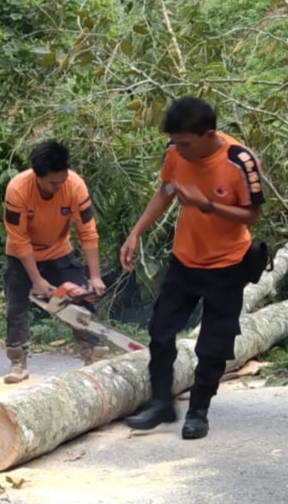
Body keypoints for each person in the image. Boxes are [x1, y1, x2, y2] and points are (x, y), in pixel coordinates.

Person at [119, 97, 265, 439]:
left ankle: (199, 411)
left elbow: (252, 215)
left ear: (208, 134)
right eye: (175, 142)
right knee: (160, 331)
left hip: (228, 265)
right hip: (184, 260)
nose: (179, 150)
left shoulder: (239, 161)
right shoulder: (175, 152)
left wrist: (207, 204)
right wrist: (135, 233)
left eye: (186, 143)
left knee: (213, 345)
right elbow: (166, 190)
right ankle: (160, 403)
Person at [2, 139, 108, 383]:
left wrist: (94, 275)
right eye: (52, 182)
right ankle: (18, 360)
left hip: (59, 251)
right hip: (21, 255)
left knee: (82, 300)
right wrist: (36, 280)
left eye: (62, 180)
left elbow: (88, 231)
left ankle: (93, 353)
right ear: (37, 175)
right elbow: (19, 240)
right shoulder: (17, 189)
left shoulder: (75, 186)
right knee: (16, 307)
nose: (59, 186)